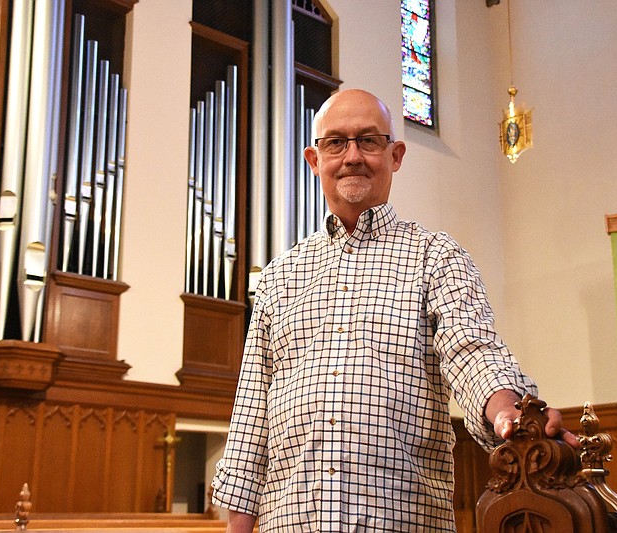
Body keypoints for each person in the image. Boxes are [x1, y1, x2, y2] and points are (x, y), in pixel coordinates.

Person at [211, 88, 578, 532]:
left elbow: (472, 350)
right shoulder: (277, 277)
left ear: (395, 154)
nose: (352, 156)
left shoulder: (436, 257)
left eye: (368, 140)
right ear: (314, 161)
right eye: (336, 143)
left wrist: (509, 413)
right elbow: (252, 418)